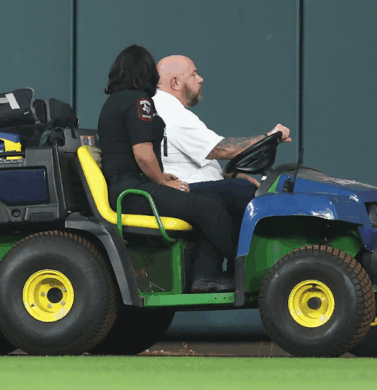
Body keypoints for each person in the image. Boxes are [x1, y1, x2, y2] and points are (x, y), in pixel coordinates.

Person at [96, 45, 235, 293]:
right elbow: (142, 153)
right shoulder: (139, 101)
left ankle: (207, 275)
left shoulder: (112, 103)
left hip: (126, 189)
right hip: (134, 192)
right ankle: (242, 266)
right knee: (209, 208)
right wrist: (161, 181)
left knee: (211, 197)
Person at [154, 55, 292, 242]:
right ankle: (249, 260)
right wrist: (268, 137)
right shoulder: (172, 113)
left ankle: (214, 268)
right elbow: (223, 150)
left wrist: (229, 175)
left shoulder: (168, 109)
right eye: (194, 74)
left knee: (239, 184)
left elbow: (195, 158)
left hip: (189, 186)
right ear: (176, 82)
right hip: (182, 190)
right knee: (242, 191)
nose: (201, 79)